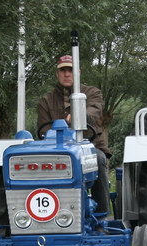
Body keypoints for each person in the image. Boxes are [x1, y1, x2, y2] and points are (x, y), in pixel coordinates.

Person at [37, 54, 112, 216]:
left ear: (78, 73)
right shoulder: (46, 101)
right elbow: (44, 132)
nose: (66, 74)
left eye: (70, 70)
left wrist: (79, 114)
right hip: (56, 150)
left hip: (90, 147)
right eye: (62, 70)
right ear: (57, 74)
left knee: (98, 159)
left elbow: (93, 111)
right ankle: (44, 213)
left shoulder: (92, 93)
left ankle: (101, 215)